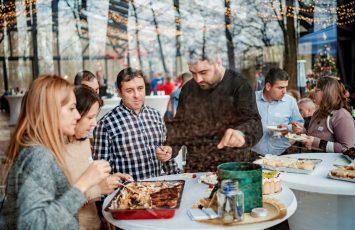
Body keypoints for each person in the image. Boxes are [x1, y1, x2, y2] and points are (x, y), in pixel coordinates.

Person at [1, 75, 111, 229]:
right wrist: (83, 184)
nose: (78, 115)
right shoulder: (38, 155)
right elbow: (32, 225)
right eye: (72, 108)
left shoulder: (38, 149)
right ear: (50, 111)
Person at [165, 48, 263, 172]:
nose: (198, 79)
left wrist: (242, 133)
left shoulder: (239, 84)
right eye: (193, 73)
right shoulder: (188, 89)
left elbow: (255, 123)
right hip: (196, 169)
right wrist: (170, 148)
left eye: (203, 72)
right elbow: (180, 126)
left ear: (217, 62)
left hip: (231, 168)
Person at [63, 85, 132, 229]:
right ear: (75, 114)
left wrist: (108, 180)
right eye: (89, 117)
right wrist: (99, 188)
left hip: (94, 223)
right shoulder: (54, 152)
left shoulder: (83, 141)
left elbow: (86, 180)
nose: (94, 123)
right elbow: (62, 202)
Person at [93, 67, 179, 180]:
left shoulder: (156, 116)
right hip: (127, 194)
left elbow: (166, 156)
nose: (137, 95)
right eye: (129, 90)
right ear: (119, 92)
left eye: (140, 88)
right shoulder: (105, 124)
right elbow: (102, 172)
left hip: (159, 191)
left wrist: (178, 175)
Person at [252, 68, 304, 156]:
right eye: (280, 88)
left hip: (283, 154)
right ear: (268, 86)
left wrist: (290, 128)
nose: (284, 91)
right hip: (254, 154)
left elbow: (300, 126)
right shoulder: (251, 99)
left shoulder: (290, 102)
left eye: (285, 87)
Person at [300, 77, 355, 152]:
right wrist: (302, 132)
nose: (313, 94)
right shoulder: (317, 113)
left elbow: (347, 148)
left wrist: (317, 143)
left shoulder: (342, 116)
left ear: (326, 92)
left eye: (316, 90)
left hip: (332, 163)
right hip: (312, 161)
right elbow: (314, 137)